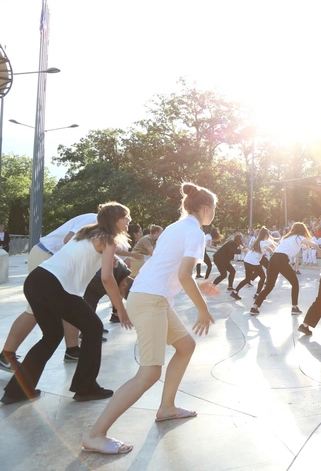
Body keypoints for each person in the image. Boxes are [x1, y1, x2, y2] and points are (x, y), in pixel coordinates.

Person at [82, 182, 217, 455]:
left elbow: (167, 267)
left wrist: (199, 287)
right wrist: (202, 309)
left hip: (150, 296)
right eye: (214, 208)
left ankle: (167, 408)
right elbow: (183, 274)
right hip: (151, 300)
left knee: (185, 346)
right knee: (149, 372)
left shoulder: (175, 227)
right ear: (205, 208)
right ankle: (96, 435)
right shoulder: (195, 233)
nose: (214, 212)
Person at [1, 203, 133, 405]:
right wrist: (121, 309)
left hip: (37, 280)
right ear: (114, 220)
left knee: (52, 334)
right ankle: (85, 387)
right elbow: (107, 279)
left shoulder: (86, 232)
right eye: (125, 217)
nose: (128, 221)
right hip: (55, 285)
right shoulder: (107, 240)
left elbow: (84, 253)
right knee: (94, 328)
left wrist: (109, 258)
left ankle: (17, 391)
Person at [250, 222, 320, 316]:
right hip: (281, 259)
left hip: (274, 258)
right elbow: (314, 245)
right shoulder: (299, 237)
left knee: (269, 286)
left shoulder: (287, 238)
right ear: (303, 230)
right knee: (295, 283)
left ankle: (255, 307)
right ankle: (294, 307)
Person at [230, 227, 275, 301]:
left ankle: (235, 292)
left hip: (247, 260)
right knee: (263, 277)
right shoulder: (262, 242)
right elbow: (267, 248)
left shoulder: (257, 240)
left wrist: (270, 246)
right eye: (268, 234)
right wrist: (273, 254)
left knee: (247, 279)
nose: (268, 235)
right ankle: (257, 294)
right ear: (265, 235)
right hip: (253, 262)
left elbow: (265, 247)